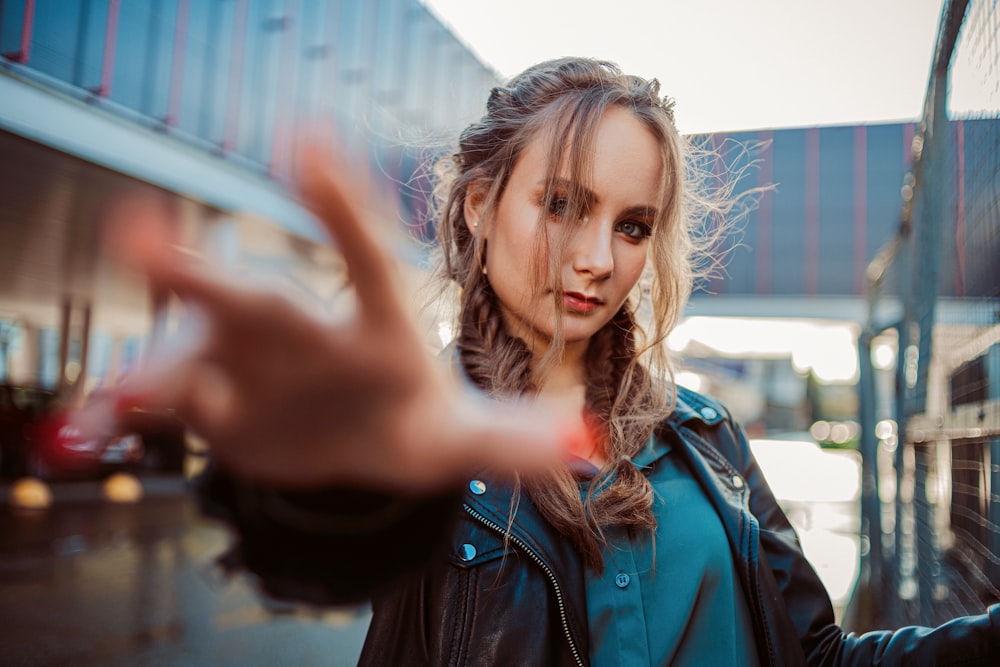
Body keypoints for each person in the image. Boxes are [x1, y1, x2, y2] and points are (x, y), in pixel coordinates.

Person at [105, 58, 998, 665]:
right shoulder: (425, 434)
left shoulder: (709, 437)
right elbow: (330, 539)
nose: (599, 257)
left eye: (632, 224)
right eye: (563, 205)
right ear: (479, 206)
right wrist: (324, 478)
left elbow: (816, 656)